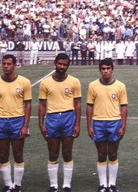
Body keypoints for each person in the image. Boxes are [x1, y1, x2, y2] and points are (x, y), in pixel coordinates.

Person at [38, 53, 82, 192]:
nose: (62, 67)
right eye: (60, 64)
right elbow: (42, 105)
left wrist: (77, 124)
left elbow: (78, 104)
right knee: (53, 152)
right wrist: (41, 124)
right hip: (52, 118)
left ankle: (66, 185)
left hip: (69, 117)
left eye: (65, 65)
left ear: (68, 66)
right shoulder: (45, 83)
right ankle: (53, 185)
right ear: (55, 64)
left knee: (67, 152)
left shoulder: (74, 81)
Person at [0, 54, 33, 192]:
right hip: (0, 122)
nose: (6, 66)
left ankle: (17, 185)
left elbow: (28, 105)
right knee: (3, 154)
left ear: (15, 65)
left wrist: (25, 125)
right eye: (4, 64)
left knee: (18, 154)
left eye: (9, 64)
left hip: (18, 121)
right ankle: (8, 185)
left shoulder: (24, 82)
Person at [86, 59, 128, 192]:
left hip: (115, 122)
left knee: (113, 153)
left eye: (108, 68)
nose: (106, 71)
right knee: (101, 154)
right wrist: (89, 125)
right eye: (103, 68)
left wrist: (123, 125)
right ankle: (103, 184)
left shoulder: (120, 86)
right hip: (98, 123)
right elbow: (89, 106)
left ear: (112, 69)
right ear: (100, 70)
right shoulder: (93, 85)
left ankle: (112, 184)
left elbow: (124, 107)